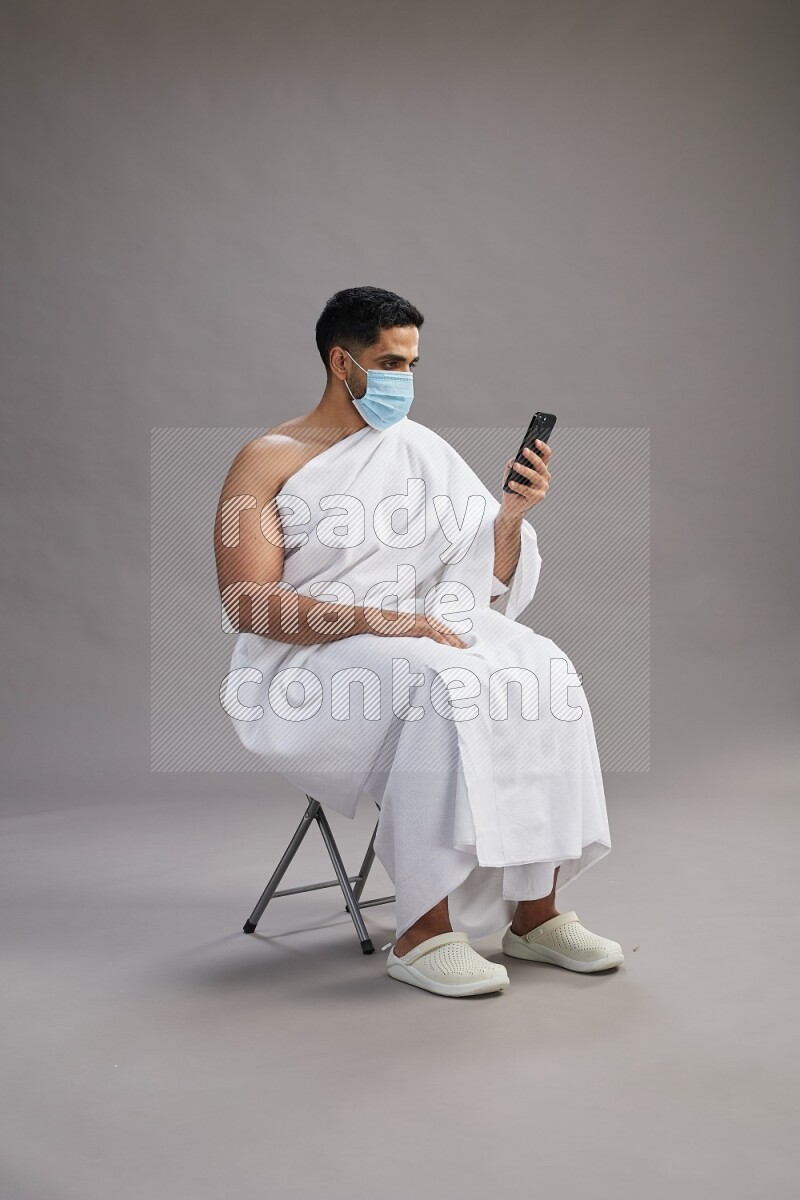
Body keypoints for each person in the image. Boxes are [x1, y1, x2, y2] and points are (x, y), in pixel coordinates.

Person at [214, 285, 623, 998]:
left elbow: (479, 581)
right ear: (343, 364)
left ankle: (536, 913)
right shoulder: (266, 460)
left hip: (417, 630)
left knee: (543, 666)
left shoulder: (420, 449)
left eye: (413, 363)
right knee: (441, 683)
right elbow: (249, 603)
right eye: (391, 362)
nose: (406, 379)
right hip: (306, 662)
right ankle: (422, 932)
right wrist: (385, 621)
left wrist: (510, 518)